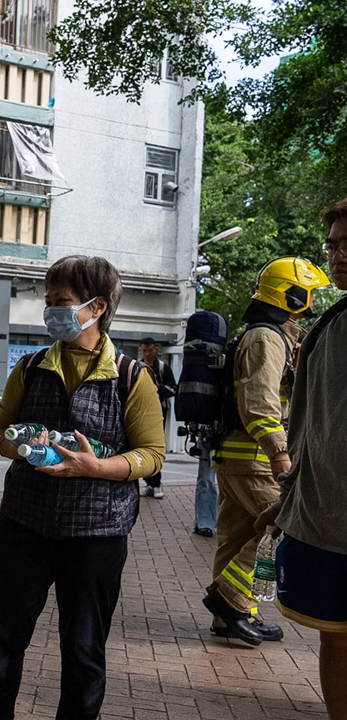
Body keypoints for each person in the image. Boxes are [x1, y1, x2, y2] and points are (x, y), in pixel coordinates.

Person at [0, 255, 166, 720]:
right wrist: (20, 445)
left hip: (97, 536)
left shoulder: (131, 377)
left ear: (96, 306)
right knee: (2, 647)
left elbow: (152, 454)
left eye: (61, 302)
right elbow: (0, 430)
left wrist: (95, 468)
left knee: (83, 654)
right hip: (24, 527)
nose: (51, 312)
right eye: (48, 302)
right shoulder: (30, 367)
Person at [204, 256, 329, 646]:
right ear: (290, 295)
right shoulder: (267, 338)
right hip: (256, 459)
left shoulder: (266, 334)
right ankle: (229, 601)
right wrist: (280, 454)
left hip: (236, 454)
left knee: (237, 534)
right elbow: (258, 405)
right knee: (282, 529)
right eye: (308, 293)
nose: (311, 301)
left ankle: (235, 617)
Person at [256, 199, 347, 719]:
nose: (336, 255)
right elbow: (307, 428)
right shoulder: (325, 330)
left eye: (346, 243)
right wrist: (287, 500)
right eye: (332, 244)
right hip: (325, 526)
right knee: (336, 641)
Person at [137, 336, 176, 498]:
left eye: (150, 350)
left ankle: (157, 483)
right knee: (140, 445)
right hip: (139, 411)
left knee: (154, 446)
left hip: (158, 412)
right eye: (145, 350)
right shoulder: (137, 366)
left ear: (156, 349)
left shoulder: (162, 368)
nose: (147, 354)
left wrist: (158, 387)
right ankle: (150, 483)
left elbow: (173, 389)